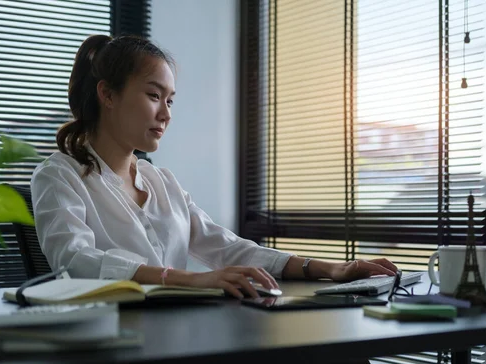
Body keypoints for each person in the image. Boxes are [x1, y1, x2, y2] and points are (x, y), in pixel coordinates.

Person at [31, 34, 398, 299]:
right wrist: (189, 280)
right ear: (107, 94)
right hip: (110, 338)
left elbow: (228, 248)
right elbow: (75, 260)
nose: (166, 114)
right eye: (154, 95)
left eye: (170, 101)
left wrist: (329, 268)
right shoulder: (58, 175)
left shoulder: (162, 181)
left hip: (181, 329)